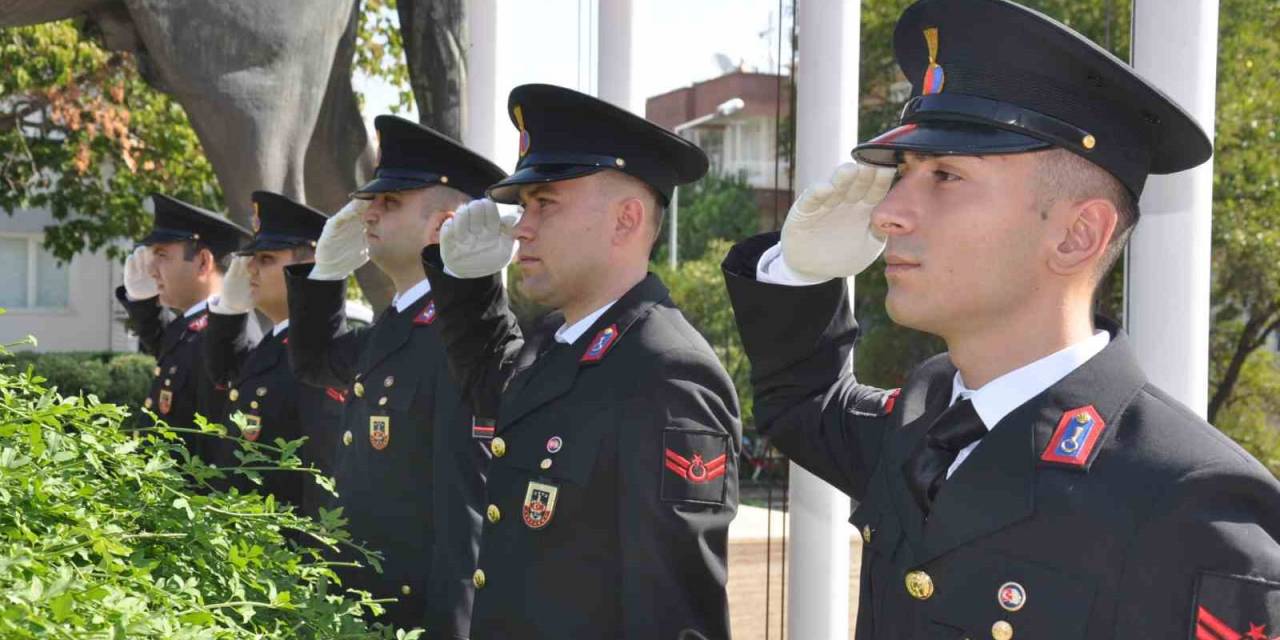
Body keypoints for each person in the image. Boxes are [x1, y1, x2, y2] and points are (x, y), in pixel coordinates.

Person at [722, 1, 1280, 638]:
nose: (887, 214)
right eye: (903, 174)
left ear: (1076, 234)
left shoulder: (1189, 504)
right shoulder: (924, 427)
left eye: (946, 176)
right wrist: (798, 271)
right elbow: (803, 402)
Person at [424, 83, 740, 639]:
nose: (522, 227)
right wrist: (467, 283)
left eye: (545, 203)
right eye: (523, 207)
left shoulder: (666, 370)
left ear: (626, 219)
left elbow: (673, 615)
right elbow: (492, 386)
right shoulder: (555, 341)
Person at [284, 115, 504, 635]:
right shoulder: (398, 324)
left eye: (391, 203)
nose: (371, 215)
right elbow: (315, 362)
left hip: (413, 616)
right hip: (361, 606)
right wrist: (325, 275)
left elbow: (463, 517)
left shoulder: (459, 341)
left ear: (442, 225)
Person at [201, 190, 346, 515]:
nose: (250, 269)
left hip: (287, 552)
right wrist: (229, 312)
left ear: (309, 263)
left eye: (265, 259)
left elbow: (320, 474)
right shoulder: (273, 343)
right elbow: (222, 375)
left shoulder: (321, 355)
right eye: (251, 259)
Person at [117, 193, 251, 462]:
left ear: (203, 262)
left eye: (162, 255)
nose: (152, 270)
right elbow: (167, 346)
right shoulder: (192, 325)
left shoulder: (226, 335)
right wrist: (143, 303)